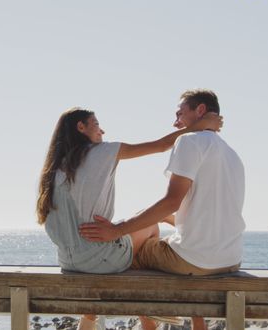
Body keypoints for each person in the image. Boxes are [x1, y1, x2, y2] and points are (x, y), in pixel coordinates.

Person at [37, 106, 222, 330]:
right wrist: (201, 126)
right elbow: (161, 145)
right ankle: (148, 319)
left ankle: (91, 320)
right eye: (96, 125)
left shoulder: (56, 168)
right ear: (81, 127)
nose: (102, 131)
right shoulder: (102, 151)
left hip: (68, 262)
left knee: (133, 227)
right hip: (99, 259)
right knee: (150, 227)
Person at [79, 89, 245, 330]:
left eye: (180, 113)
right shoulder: (232, 155)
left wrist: (116, 230)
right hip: (230, 259)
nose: (176, 122)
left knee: (130, 252)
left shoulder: (189, 141)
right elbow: (208, 215)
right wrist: (168, 218)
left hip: (196, 261)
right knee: (151, 228)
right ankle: (195, 322)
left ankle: (111, 319)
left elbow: (171, 201)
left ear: (200, 111)